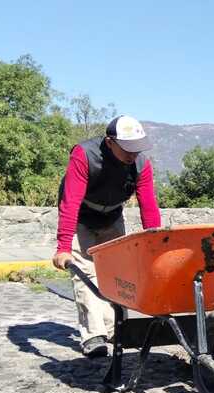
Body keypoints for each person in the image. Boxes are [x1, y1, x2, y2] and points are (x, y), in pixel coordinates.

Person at [52, 115, 161, 358]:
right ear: (110, 142)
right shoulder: (84, 155)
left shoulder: (142, 164)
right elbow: (70, 203)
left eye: (137, 149)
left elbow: (148, 205)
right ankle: (94, 335)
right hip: (82, 216)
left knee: (116, 275)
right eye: (127, 149)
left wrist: (156, 245)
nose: (133, 155)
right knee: (86, 272)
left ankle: (114, 329)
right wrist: (63, 247)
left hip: (112, 216)